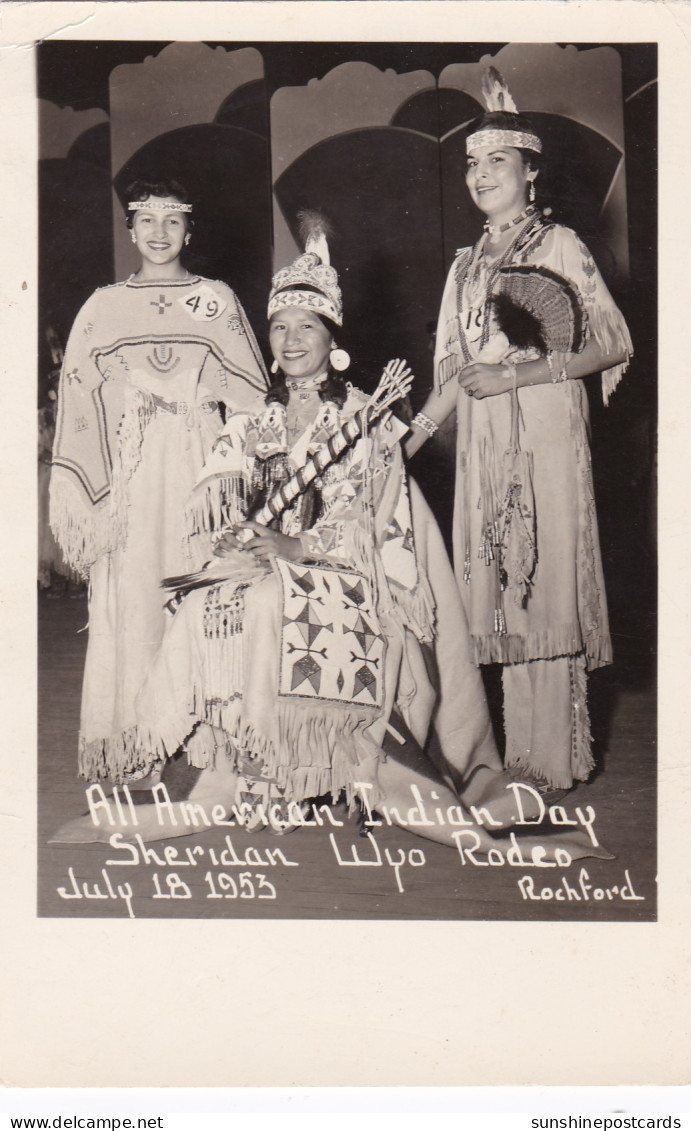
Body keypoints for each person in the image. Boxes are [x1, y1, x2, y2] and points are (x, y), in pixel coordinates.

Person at [52, 214, 609, 863]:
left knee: (263, 605)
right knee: (202, 602)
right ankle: (229, 770)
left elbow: (377, 522)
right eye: (280, 328)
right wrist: (237, 541)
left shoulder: (363, 415)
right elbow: (219, 498)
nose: (290, 340)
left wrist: (293, 549)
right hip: (266, 568)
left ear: (331, 339)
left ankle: (295, 774)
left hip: (346, 584)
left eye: (305, 327)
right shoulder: (252, 421)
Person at [405, 71, 633, 794]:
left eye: (495, 161)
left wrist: (517, 378)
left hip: (540, 433)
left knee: (542, 577)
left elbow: (610, 342)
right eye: (470, 163)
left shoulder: (558, 244)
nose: (479, 175)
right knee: (504, 589)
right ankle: (517, 759)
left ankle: (555, 757)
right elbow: (452, 373)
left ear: (530, 171)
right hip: (481, 444)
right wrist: (405, 439)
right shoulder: (465, 265)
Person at [50, 178, 267, 783]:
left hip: (201, 465)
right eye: (147, 219)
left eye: (173, 220)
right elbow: (78, 394)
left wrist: (227, 466)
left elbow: (252, 394)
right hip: (133, 471)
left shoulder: (215, 299)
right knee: (136, 595)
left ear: (190, 231)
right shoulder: (103, 306)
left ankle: (209, 747)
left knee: (204, 588)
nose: (160, 232)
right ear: (130, 230)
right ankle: (136, 746)